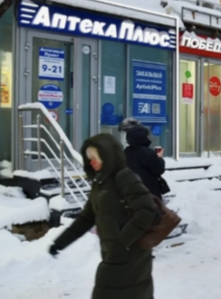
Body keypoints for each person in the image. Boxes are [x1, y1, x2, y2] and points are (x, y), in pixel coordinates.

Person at [48, 134, 159, 299]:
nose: (91, 161)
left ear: (108, 156)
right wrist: (60, 243)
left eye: (95, 157)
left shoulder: (124, 177)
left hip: (130, 255)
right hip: (114, 254)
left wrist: (122, 242)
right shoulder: (100, 183)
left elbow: (147, 211)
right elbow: (86, 218)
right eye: (89, 158)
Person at [124, 125, 166, 199]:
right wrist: (159, 157)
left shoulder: (126, 152)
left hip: (132, 192)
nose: (148, 137)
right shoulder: (147, 152)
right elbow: (159, 169)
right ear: (142, 137)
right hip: (149, 192)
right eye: (147, 135)